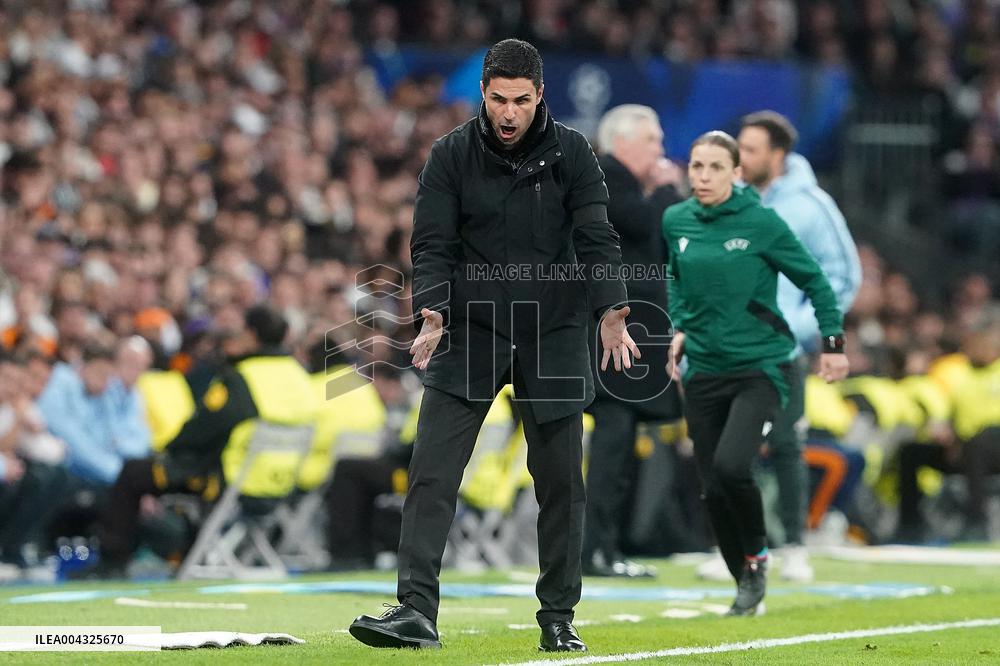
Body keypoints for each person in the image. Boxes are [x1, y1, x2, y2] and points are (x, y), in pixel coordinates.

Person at [348, 39, 637, 653]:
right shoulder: (450, 154)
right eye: (499, 99)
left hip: (553, 329)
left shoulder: (573, 152)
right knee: (430, 473)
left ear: (540, 97)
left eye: (521, 101)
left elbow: (596, 236)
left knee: (561, 483)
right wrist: (431, 309)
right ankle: (415, 611)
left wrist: (612, 309)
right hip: (469, 328)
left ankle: (558, 616)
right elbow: (431, 244)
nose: (509, 113)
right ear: (482, 93)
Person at [663, 131, 848, 615]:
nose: (704, 177)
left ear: (737, 173)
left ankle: (760, 557)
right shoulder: (676, 219)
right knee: (712, 487)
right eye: (697, 166)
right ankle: (745, 579)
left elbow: (816, 280)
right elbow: (675, 277)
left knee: (731, 467)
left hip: (761, 368)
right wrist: (679, 327)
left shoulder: (761, 222)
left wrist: (832, 344)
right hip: (703, 369)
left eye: (715, 167)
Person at [701, 110, 859, 582]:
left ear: (779, 154)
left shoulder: (812, 206)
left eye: (751, 150)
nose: (741, 158)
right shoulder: (727, 198)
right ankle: (732, 548)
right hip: (727, 345)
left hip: (782, 349)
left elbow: (843, 277)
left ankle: (793, 547)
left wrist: (798, 326)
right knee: (729, 448)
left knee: (787, 445)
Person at [72, 304, 317, 578]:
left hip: (232, 480)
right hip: (282, 485)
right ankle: (189, 552)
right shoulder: (301, 377)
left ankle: (112, 563)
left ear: (250, 334)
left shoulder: (243, 377)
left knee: (134, 473)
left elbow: (204, 428)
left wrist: (170, 450)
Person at [583, 104, 684, 578]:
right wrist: (666, 190)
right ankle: (595, 550)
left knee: (620, 445)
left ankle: (604, 548)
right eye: (652, 140)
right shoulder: (605, 177)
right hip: (614, 334)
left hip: (627, 332)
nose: (661, 150)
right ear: (621, 142)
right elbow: (648, 226)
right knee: (612, 445)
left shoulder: (617, 181)